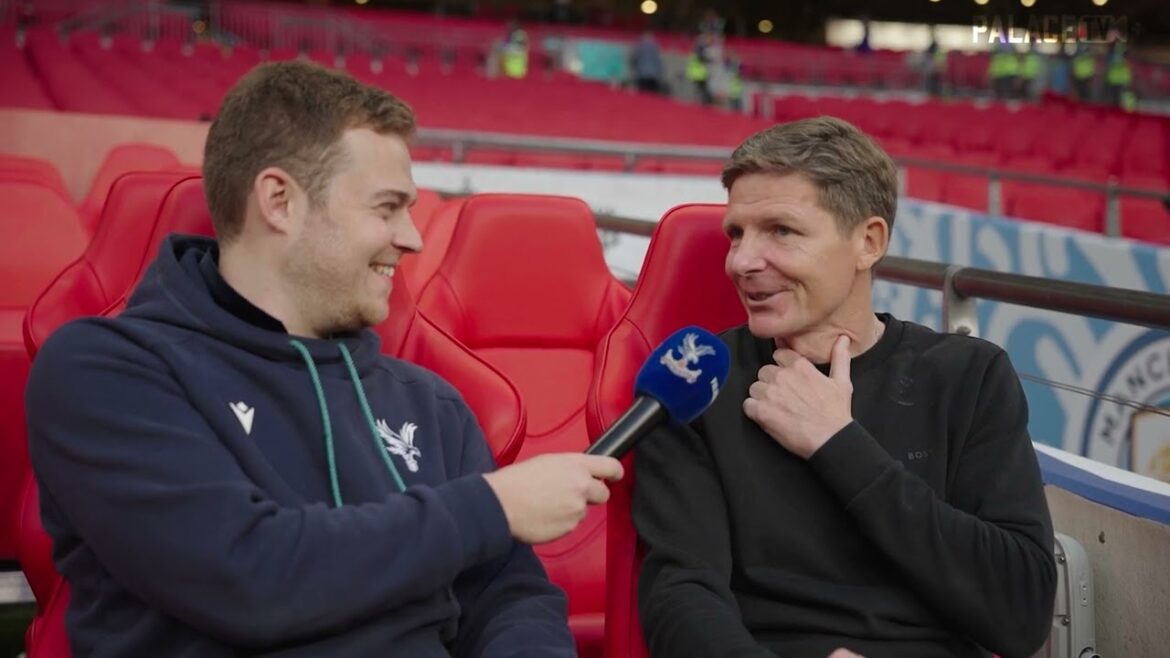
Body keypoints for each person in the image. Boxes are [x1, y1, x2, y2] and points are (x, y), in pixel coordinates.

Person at [25, 60, 624, 657]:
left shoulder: (430, 401)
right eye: (387, 208)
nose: (412, 236)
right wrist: (490, 506)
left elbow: (509, 596)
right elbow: (246, 576)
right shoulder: (105, 372)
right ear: (280, 201)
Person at [633, 116, 1057, 658]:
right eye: (736, 234)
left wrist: (838, 443)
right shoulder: (693, 383)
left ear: (868, 242)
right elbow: (680, 597)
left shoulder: (969, 376)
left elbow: (1020, 614)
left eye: (781, 231)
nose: (741, 262)